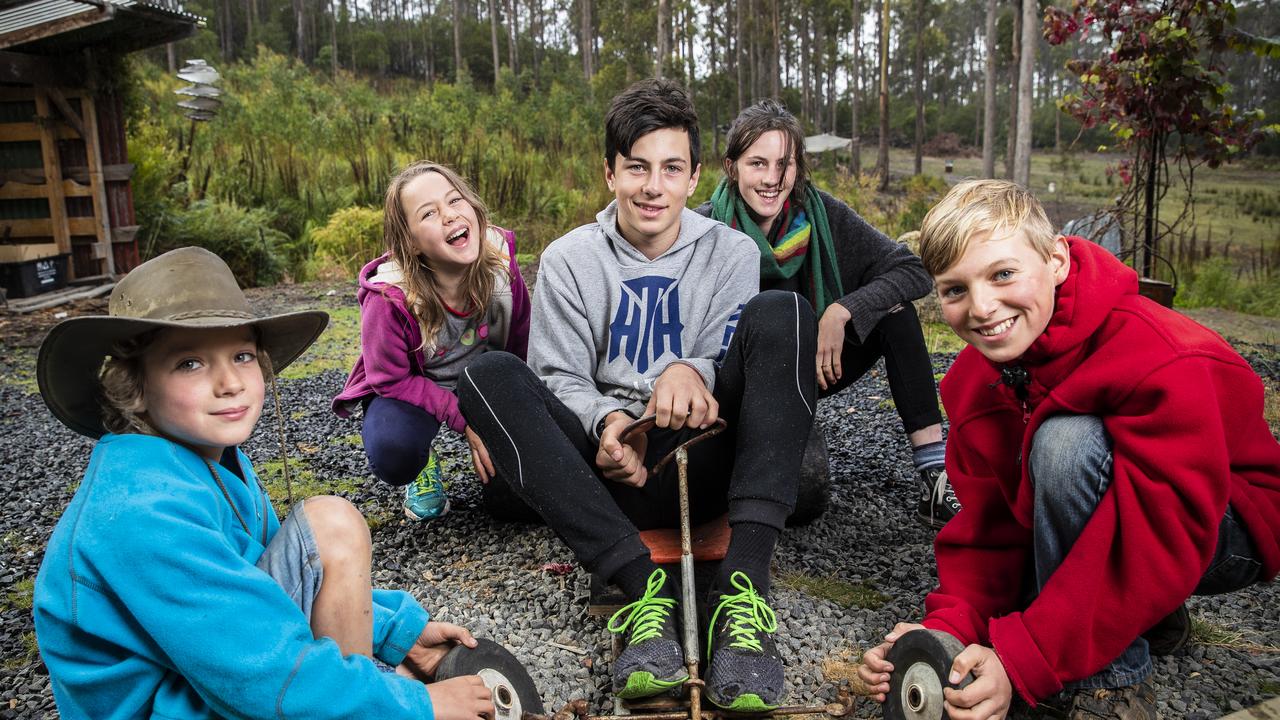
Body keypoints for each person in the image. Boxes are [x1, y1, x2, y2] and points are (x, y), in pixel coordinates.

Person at [456, 79, 817, 712]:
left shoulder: (730, 250)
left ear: (695, 175)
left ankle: (743, 594)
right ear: (610, 172)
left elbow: (730, 349)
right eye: (637, 168)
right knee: (487, 376)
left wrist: (690, 370)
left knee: (785, 310)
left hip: (700, 451)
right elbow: (558, 375)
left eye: (671, 169)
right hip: (610, 467)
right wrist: (608, 423)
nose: (654, 187)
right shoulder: (570, 258)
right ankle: (638, 585)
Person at [857, 180, 1280, 719]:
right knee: (1058, 479)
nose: (983, 308)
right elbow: (989, 534)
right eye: (954, 289)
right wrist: (944, 635)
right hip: (1134, 521)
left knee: (1066, 446)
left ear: (1055, 259)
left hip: (1222, 523)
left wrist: (1021, 660)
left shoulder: (1158, 356)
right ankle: (1143, 614)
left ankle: (1113, 683)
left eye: (1003, 274)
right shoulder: (970, 382)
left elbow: (1162, 530)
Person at [33, 247, 496, 720]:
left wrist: (399, 634)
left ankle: (355, 693)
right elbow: (258, 671)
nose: (230, 382)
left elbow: (255, 587)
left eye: (241, 355)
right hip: (170, 704)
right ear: (134, 386)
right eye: (189, 363)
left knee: (330, 539)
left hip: (204, 670)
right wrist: (415, 706)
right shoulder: (141, 512)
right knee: (331, 526)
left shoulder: (207, 459)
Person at [695, 100, 956, 529]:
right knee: (803, 496)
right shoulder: (703, 228)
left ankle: (934, 476)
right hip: (735, 385)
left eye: (785, 163)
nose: (772, 179)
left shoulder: (822, 215)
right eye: (757, 163)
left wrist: (841, 310)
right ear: (732, 166)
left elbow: (912, 270)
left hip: (809, 367)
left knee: (895, 313)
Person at [332, 161, 530, 521]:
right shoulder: (390, 298)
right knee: (395, 450)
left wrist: (518, 412)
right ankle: (422, 465)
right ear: (410, 242)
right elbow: (388, 379)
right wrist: (464, 418)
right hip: (416, 386)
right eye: (429, 213)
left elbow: (521, 344)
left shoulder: (501, 263)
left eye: (455, 201)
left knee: (519, 490)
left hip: (483, 377)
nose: (449, 216)